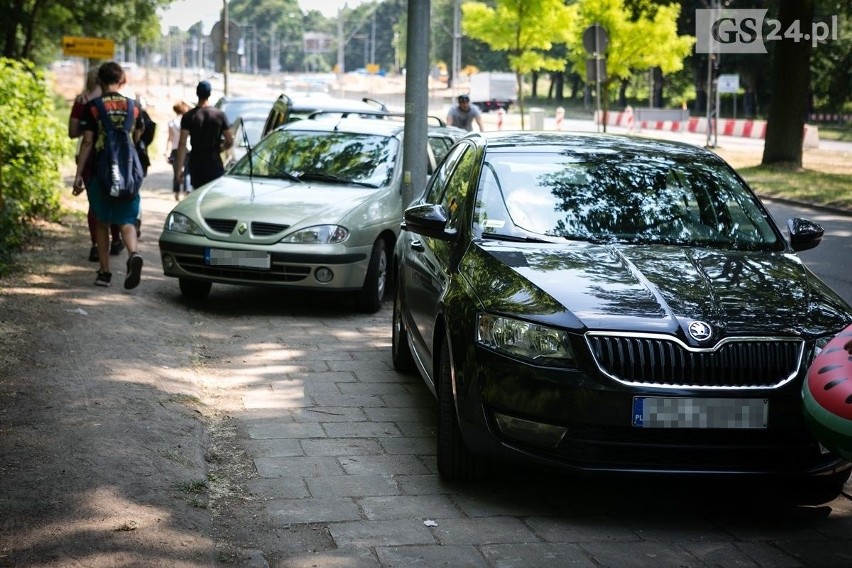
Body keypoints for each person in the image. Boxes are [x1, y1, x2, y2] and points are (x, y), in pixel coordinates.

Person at [72, 61, 145, 290]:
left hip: (99, 170)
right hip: (128, 169)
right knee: (126, 220)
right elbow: (139, 133)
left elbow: (87, 142)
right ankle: (133, 253)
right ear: (121, 80)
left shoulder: (93, 107)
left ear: (100, 81)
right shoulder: (133, 107)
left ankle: (104, 272)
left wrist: (78, 174)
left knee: (102, 221)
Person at [67, 66, 123, 261]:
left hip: (89, 158)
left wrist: (88, 129)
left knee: (95, 204)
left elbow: (73, 132)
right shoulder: (117, 102)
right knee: (115, 198)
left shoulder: (82, 102)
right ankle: (116, 240)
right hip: (115, 157)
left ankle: (95, 245)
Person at [175, 81, 233, 191]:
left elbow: (182, 143)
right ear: (209, 94)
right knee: (213, 197)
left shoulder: (188, 116)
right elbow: (229, 140)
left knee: (198, 195)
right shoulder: (219, 115)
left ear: (197, 93)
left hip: (196, 165)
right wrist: (220, 148)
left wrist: (179, 169)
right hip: (215, 163)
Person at [164, 101, 191, 200]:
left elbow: (170, 138)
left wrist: (167, 151)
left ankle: (176, 192)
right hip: (187, 149)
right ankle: (186, 191)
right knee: (187, 171)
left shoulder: (171, 122)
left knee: (176, 172)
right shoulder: (188, 120)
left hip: (175, 149)